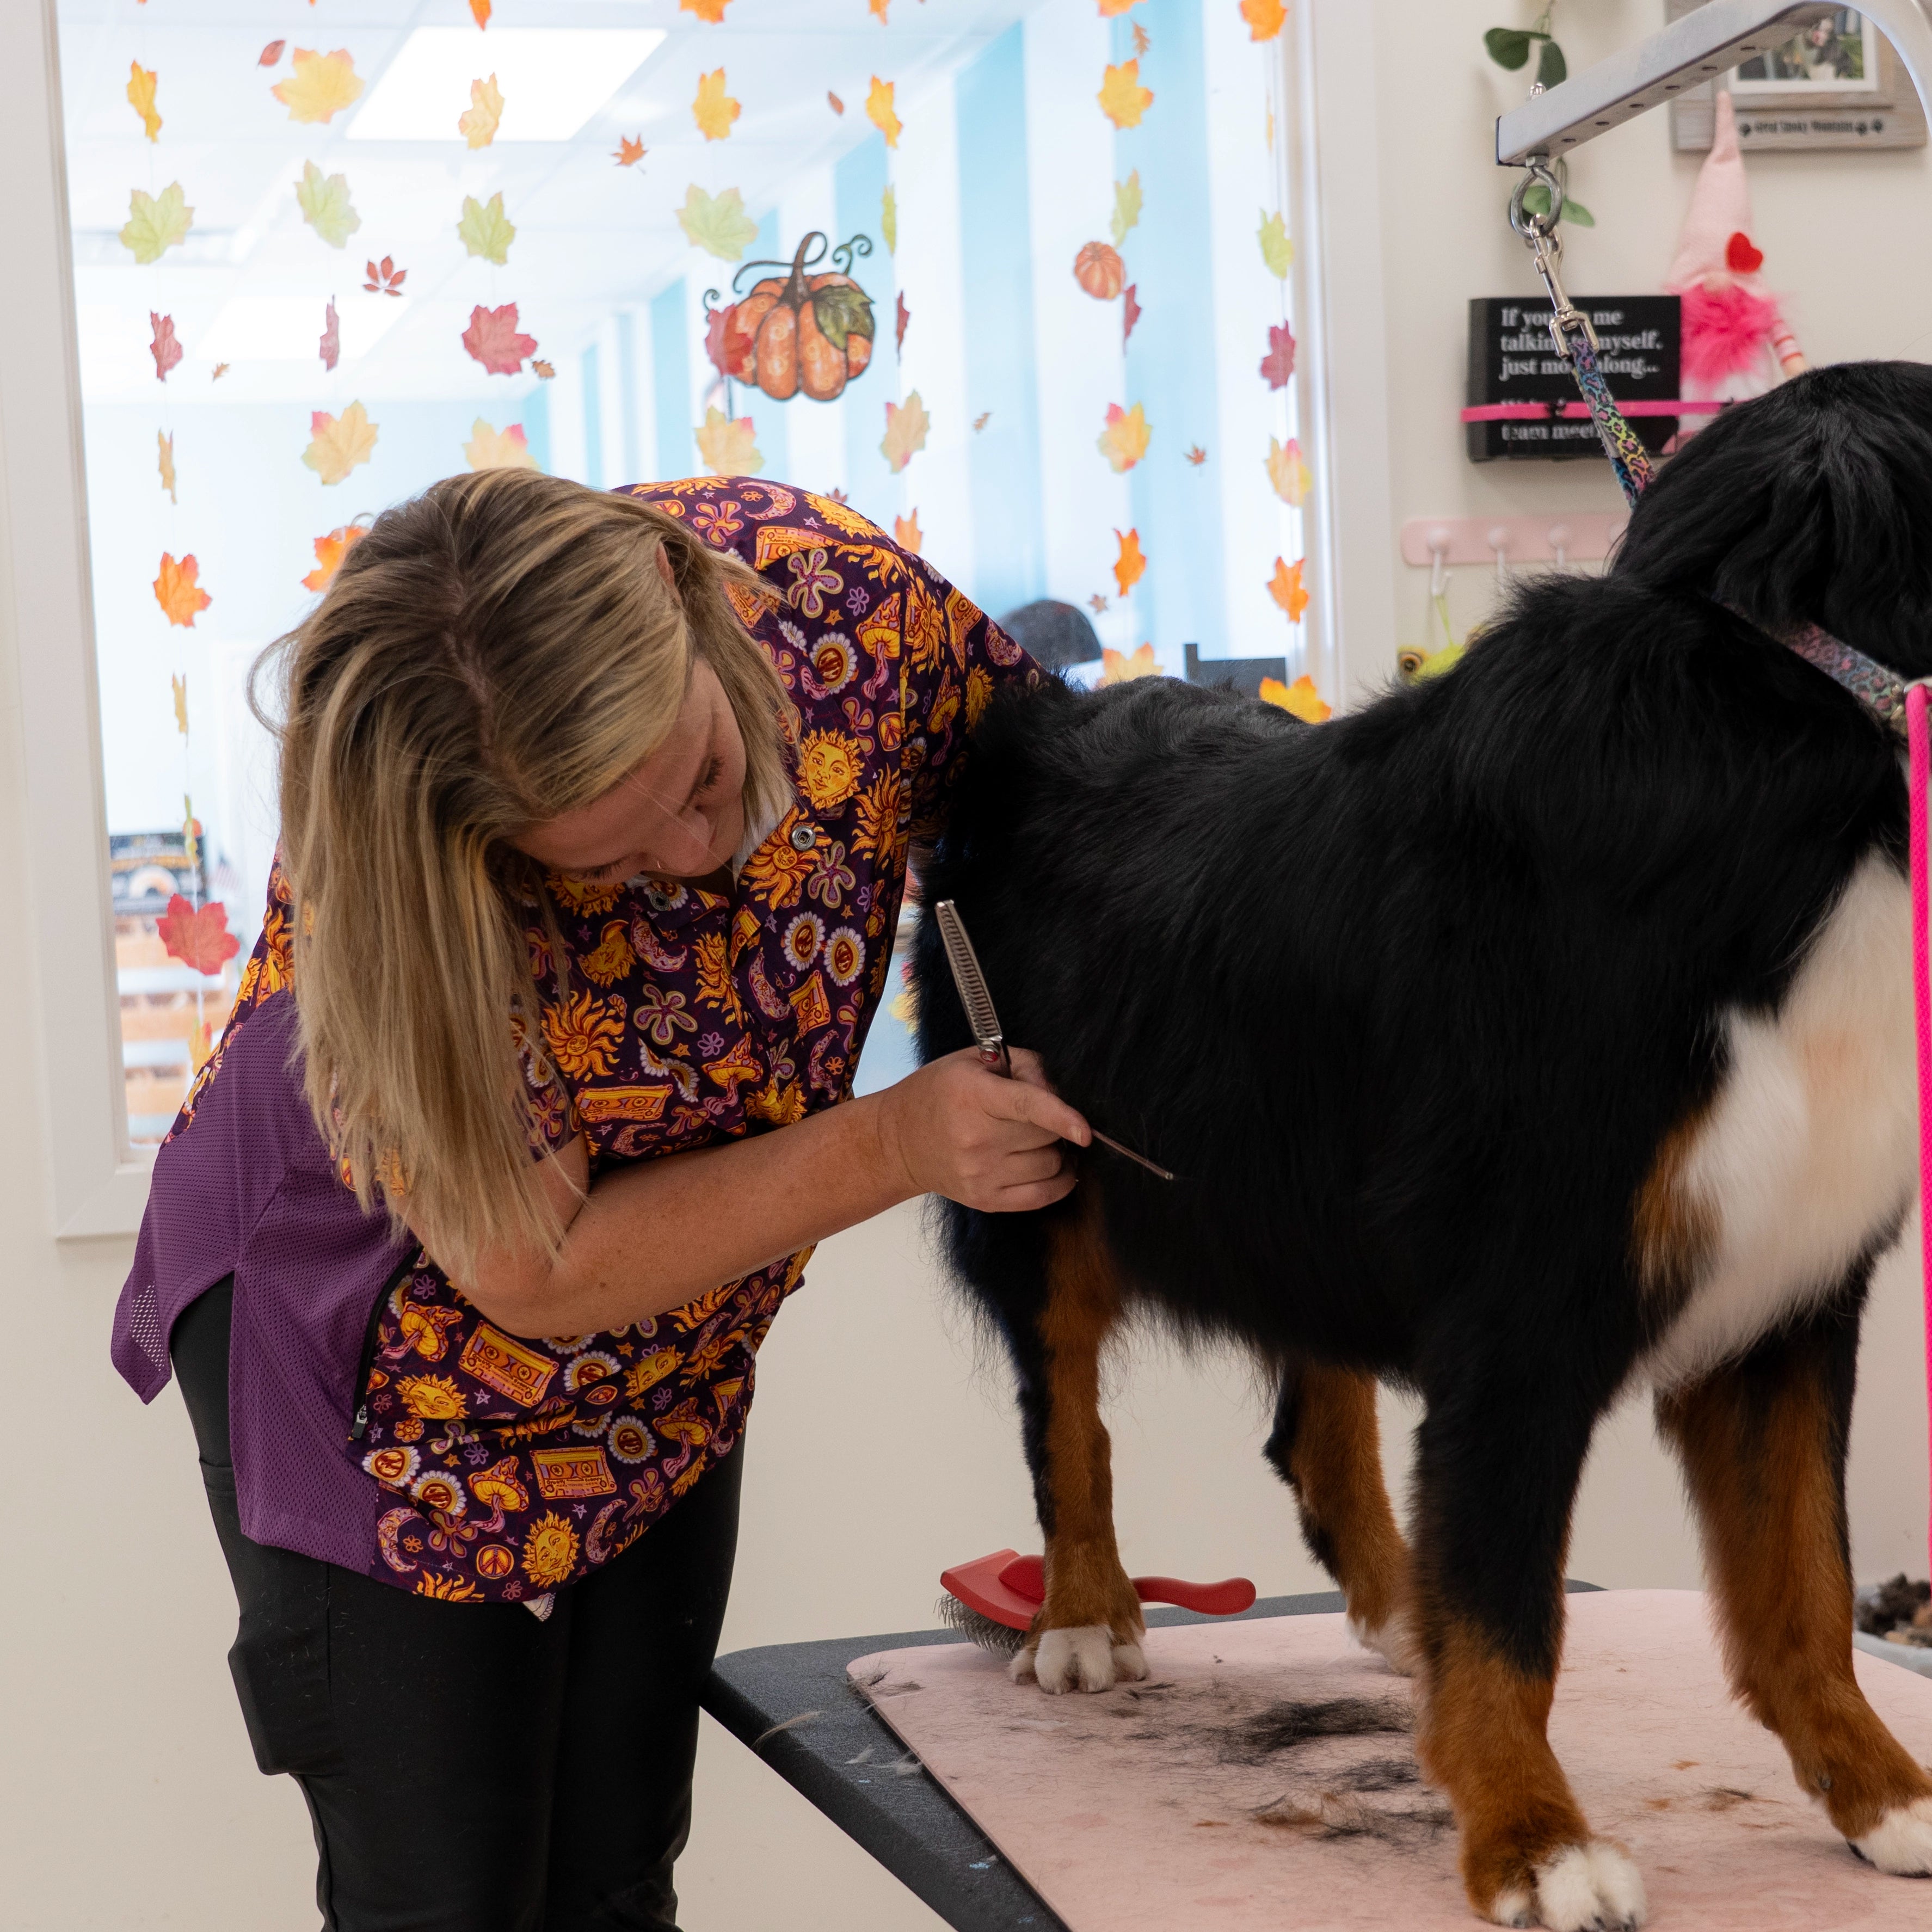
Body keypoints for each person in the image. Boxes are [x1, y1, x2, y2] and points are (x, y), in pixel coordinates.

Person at [110, 470, 1091, 1931]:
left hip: (669, 1333)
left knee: (617, 1882)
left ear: (699, 607)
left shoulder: (839, 608)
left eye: (704, 777)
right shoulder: (403, 861)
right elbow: (538, 1266)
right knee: (448, 1902)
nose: (699, 856)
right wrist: (897, 1143)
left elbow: (1068, 801)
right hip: (377, 1344)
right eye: (612, 865)